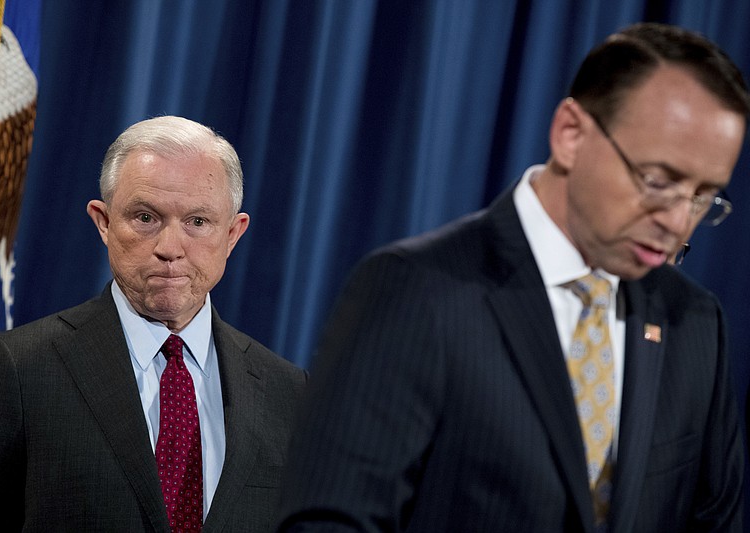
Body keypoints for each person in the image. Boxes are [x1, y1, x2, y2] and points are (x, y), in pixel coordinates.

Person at [277, 23, 749, 532]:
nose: (679, 221)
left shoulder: (693, 320)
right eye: (658, 181)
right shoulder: (417, 289)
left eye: (703, 196)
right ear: (571, 134)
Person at [0, 116, 307, 532]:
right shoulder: (20, 369)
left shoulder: (289, 393)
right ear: (103, 222)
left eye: (197, 222)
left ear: (232, 233)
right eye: (145, 218)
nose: (170, 249)